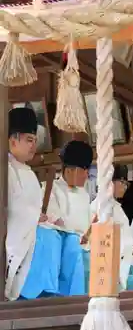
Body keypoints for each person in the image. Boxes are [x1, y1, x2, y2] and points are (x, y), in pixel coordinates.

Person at [20, 140, 92, 299]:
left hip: (85, 246)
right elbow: (55, 222)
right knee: (71, 244)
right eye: (84, 170)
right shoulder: (50, 189)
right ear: (71, 170)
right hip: (63, 243)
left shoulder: (85, 195)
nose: (87, 176)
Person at [4, 108, 43, 301]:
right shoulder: (5, 168)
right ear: (13, 140)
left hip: (31, 238)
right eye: (29, 140)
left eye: (35, 140)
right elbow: (12, 208)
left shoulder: (30, 173)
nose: (33, 145)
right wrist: (36, 217)